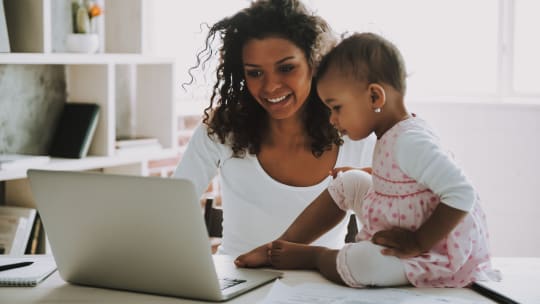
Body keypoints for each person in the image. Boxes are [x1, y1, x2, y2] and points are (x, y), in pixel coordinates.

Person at [235, 32, 501, 288]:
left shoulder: (410, 141)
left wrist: (418, 242)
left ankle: (313, 257)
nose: (332, 119)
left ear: (375, 97)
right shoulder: (393, 133)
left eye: (336, 107)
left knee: (363, 264)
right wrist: (371, 173)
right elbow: (412, 180)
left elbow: (461, 193)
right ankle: (280, 246)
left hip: (431, 248)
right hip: (404, 217)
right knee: (350, 181)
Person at [173, 0, 375, 256]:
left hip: (321, 289)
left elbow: (390, 234)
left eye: (286, 68)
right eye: (255, 73)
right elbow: (169, 211)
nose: (270, 87)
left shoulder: (357, 137)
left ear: (315, 63)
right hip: (237, 285)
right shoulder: (222, 131)